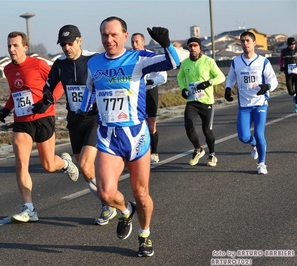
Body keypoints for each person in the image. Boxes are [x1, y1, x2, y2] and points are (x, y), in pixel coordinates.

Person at [78, 16, 180, 257]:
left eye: (114, 34)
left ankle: (144, 235)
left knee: (142, 194)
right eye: (104, 35)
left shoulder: (139, 59)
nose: (109, 39)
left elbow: (172, 63)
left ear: (125, 36)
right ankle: (125, 211)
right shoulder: (94, 63)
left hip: (136, 137)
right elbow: (90, 90)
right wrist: (81, 112)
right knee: (105, 193)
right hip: (108, 136)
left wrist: (166, 44)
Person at [0, 31, 79, 223]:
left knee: (49, 165)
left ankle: (65, 163)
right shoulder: (7, 69)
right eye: (9, 46)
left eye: (15, 45)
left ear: (25, 47)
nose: (12, 49)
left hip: (43, 118)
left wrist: (48, 101)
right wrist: (6, 109)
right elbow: (15, 92)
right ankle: (29, 208)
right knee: (20, 163)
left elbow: (59, 83)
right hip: (21, 122)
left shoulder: (39, 64)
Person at [43, 25, 116, 226]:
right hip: (74, 120)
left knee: (85, 164)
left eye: (70, 43)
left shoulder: (94, 60)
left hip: (94, 118)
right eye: (63, 44)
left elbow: (112, 79)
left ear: (80, 41)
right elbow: (49, 85)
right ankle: (105, 202)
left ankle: (107, 203)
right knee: (85, 169)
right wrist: (47, 96)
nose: (67, 48)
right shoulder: (59, 64)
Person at [224, 31, 278, 175]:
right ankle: (253, 144)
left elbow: (273, 80)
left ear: (254, 43)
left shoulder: (263, 61)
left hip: (260, 103)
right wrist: (228, 89)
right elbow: (230, 78)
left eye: (248, 40)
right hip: (244, 106)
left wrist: (267, 87)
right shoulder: (236, 61)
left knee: (260, 134)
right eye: (242, 41)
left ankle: (261, 163)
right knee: (243, 137)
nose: (245, 44)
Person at [177, 37, 225, 167]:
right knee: (188, 127)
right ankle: (198, 149)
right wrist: (183, 89)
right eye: (190, 46)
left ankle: (212, 154)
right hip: (192, 101)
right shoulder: (185, 63)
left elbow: (221, 76)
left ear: (199, 47)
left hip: (206, 102)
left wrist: (208, 82)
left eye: (195, 45)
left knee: (207, 130)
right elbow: (180, 77)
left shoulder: (208, 61)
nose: (192, 48)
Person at [131, 33, 168, 164]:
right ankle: (138, 153)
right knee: (135, 123)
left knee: (151, 123)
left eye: (137, 42)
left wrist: (150, 82)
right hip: (135, 94)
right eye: (132, 42)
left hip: (150, 91)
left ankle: (154, 152)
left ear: (143, 42)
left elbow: (163, 77)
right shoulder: (129, 57)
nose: (134, 45)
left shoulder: (152, 56)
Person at [278, 37, 297, 112]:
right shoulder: (284, 51)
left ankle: (296, 105)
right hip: (288, 74)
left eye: (294, 44)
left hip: (296, 74)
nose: (292, 46)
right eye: (291, 44)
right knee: (290, 91)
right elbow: (280, 60)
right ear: (288, 45)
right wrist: (281, 67)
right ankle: (294, 96)